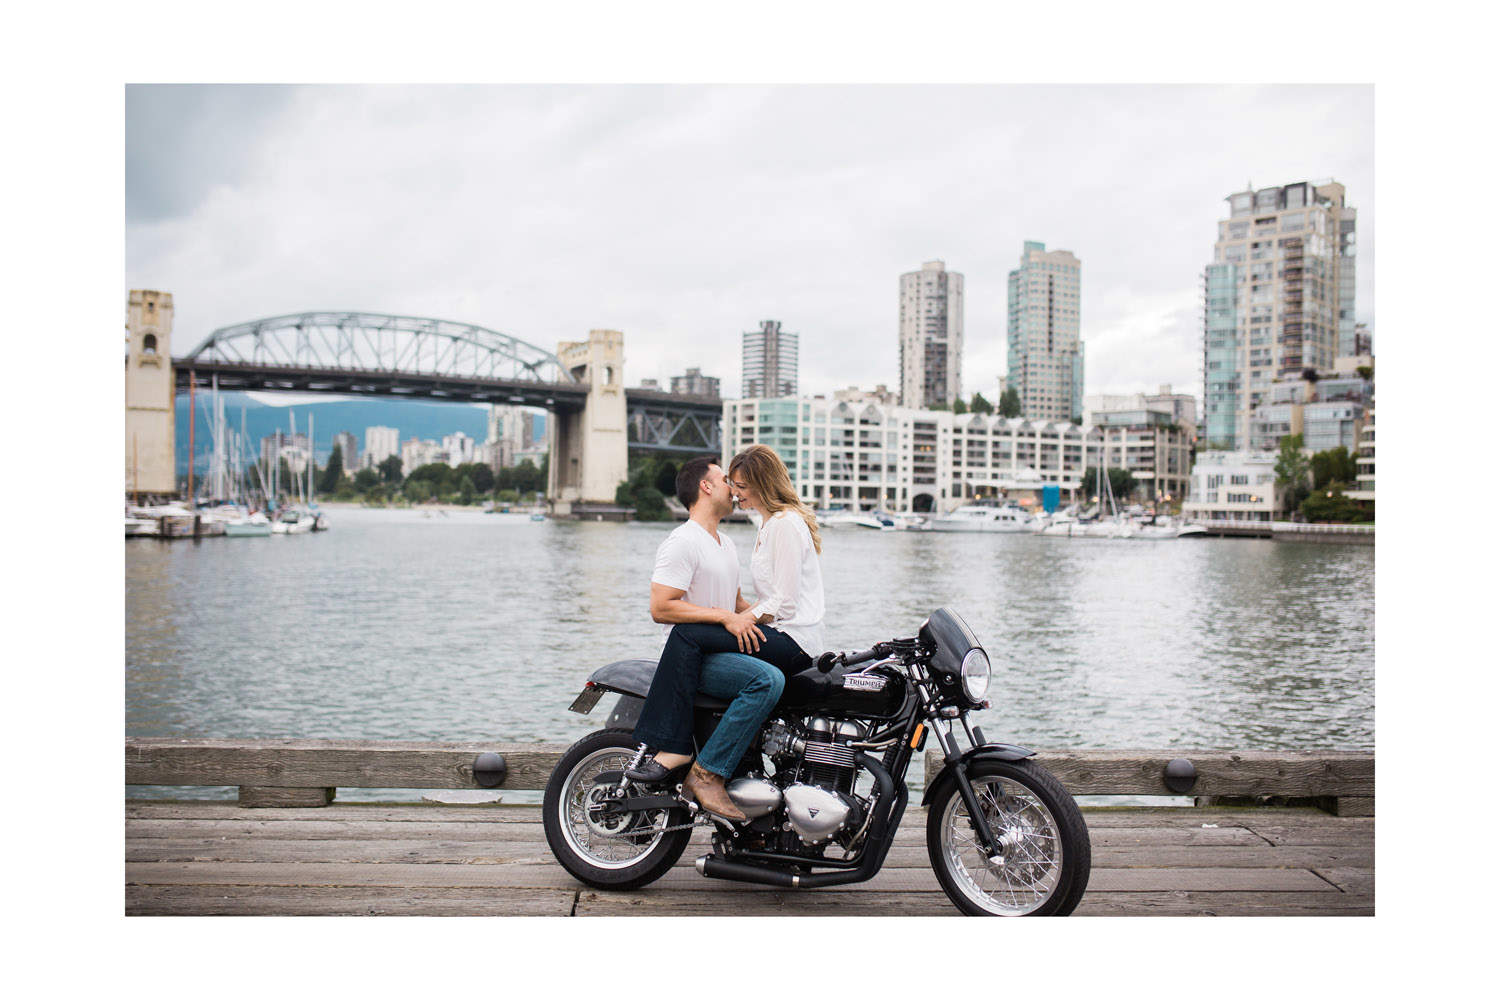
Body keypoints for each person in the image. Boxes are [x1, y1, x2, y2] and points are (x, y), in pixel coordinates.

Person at [629, 445, 825, 819]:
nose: (734, 491)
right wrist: (729, 618)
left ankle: (713, 767)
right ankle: (688, 760)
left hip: (732, 646)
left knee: (755, 672)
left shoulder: (731, 541)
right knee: (743, 667)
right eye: (727, 481)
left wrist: (739, 618)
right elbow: (661, 608)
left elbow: (745, 604)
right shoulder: (683, 541)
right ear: (706, 487)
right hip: (692, 658)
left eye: (740, 484)